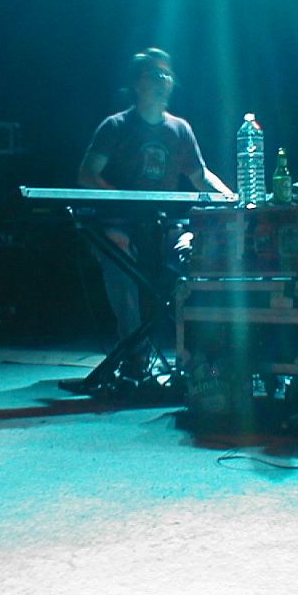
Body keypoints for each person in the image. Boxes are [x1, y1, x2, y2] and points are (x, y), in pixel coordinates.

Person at [78, 48, 234, 361]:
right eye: (155, 74)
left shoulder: (180, 129)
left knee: (199, 249)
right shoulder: (115, 126)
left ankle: (203, 353)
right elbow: (87, 174)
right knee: (119, 251)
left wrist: (232, 198)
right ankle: (136, 354)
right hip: (120, 225)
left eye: (167, 74)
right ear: (137, 83)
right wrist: (123, 199)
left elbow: (200, 176)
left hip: (164, 227)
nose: (164, 80)